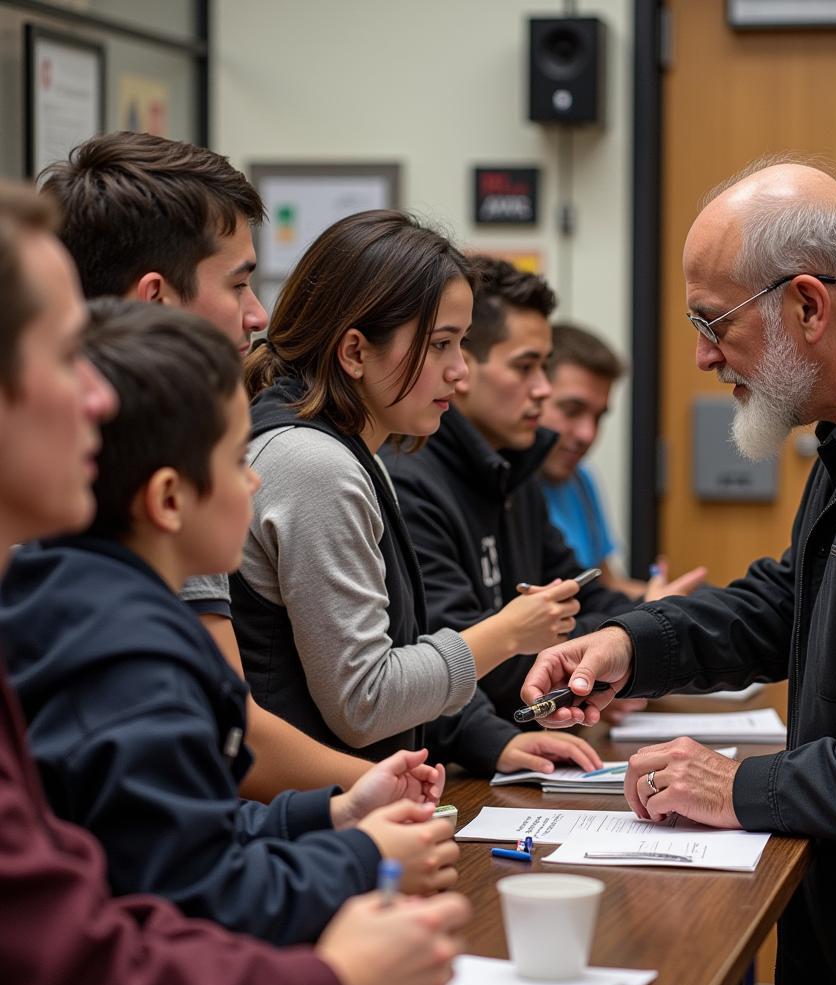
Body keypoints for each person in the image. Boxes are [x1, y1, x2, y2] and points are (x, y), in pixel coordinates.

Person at [521, 157, 836, 985]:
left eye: (712, 321)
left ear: (806, 306)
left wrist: (741, 788)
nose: (702, 354)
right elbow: (793, 599)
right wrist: (634, 644)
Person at [0, 179, 469, 985]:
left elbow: (180, 832)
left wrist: (329, 815)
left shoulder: (98, 607)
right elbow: (138, 917)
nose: (93, 400)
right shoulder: (117, 639)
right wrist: (349, 892)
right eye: (61, 355)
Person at [40, 130, 391, 802]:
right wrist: (397, 794)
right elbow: (235, 741)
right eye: (239, 285)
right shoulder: (159, 474)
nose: (257, 316)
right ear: (155, 301)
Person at [233, 210, 600, 776]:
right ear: (355, 353)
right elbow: (365, 702)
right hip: (305, 823)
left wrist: (489, 738)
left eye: (462, 344)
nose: (459, 372)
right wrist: (505, 634)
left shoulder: (347, 451)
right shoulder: (313, 464)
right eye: (441, 345)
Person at [383, 257, 703, 724]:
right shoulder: (410, 480)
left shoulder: (516, 473)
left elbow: (581, 592)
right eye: (526, 367)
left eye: (545, 368)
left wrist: (649, 621)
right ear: (464, 370)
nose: (541, 389)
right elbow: (479, 663)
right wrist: (619, 643)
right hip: (457, 753)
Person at [539, 321, 706, 598]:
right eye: (572, 410)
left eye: (598, 417)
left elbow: (603, 587)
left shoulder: (581, 480)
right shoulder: (510, 491)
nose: (587, 434)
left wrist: (673, 601)